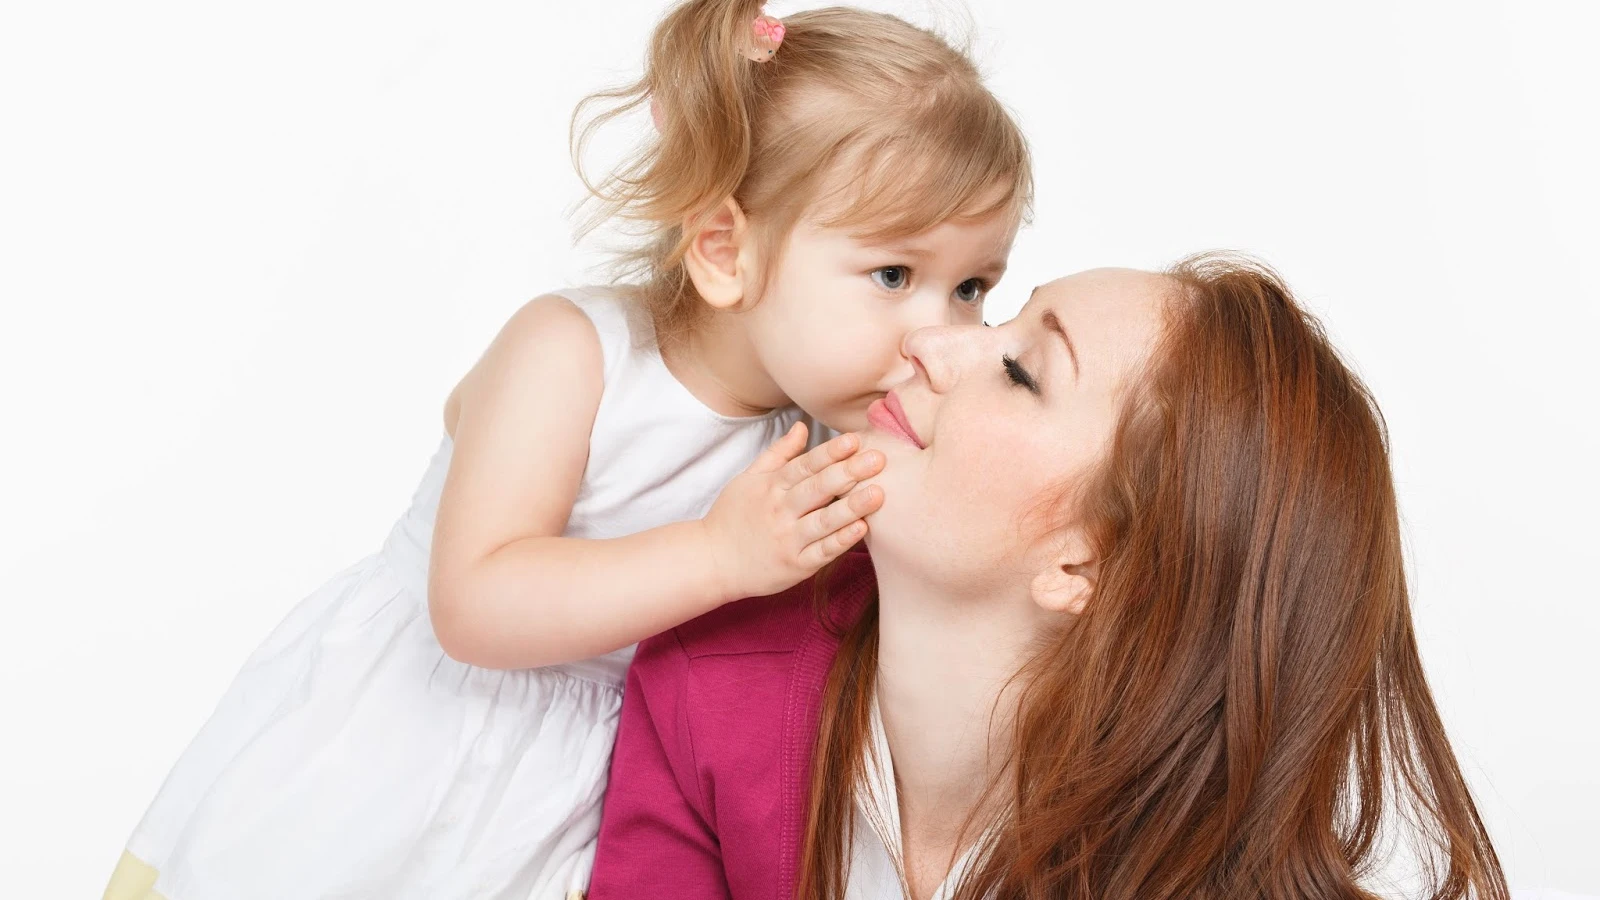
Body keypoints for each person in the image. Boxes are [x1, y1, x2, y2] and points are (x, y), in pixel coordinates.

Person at [102, 1, 1031, 897]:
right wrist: (718, 555)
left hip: (594, 787)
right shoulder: (574, 355)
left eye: (972, 288)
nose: (937, 332)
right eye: (894, 274)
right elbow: (473, 605)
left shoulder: (834, 429)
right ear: (722, 251)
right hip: (424, 741)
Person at [588, 255, 1510, 900]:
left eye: (1021, 370)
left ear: (1090, 565)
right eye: (999, 316)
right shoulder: (699, 676)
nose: (932, 342)